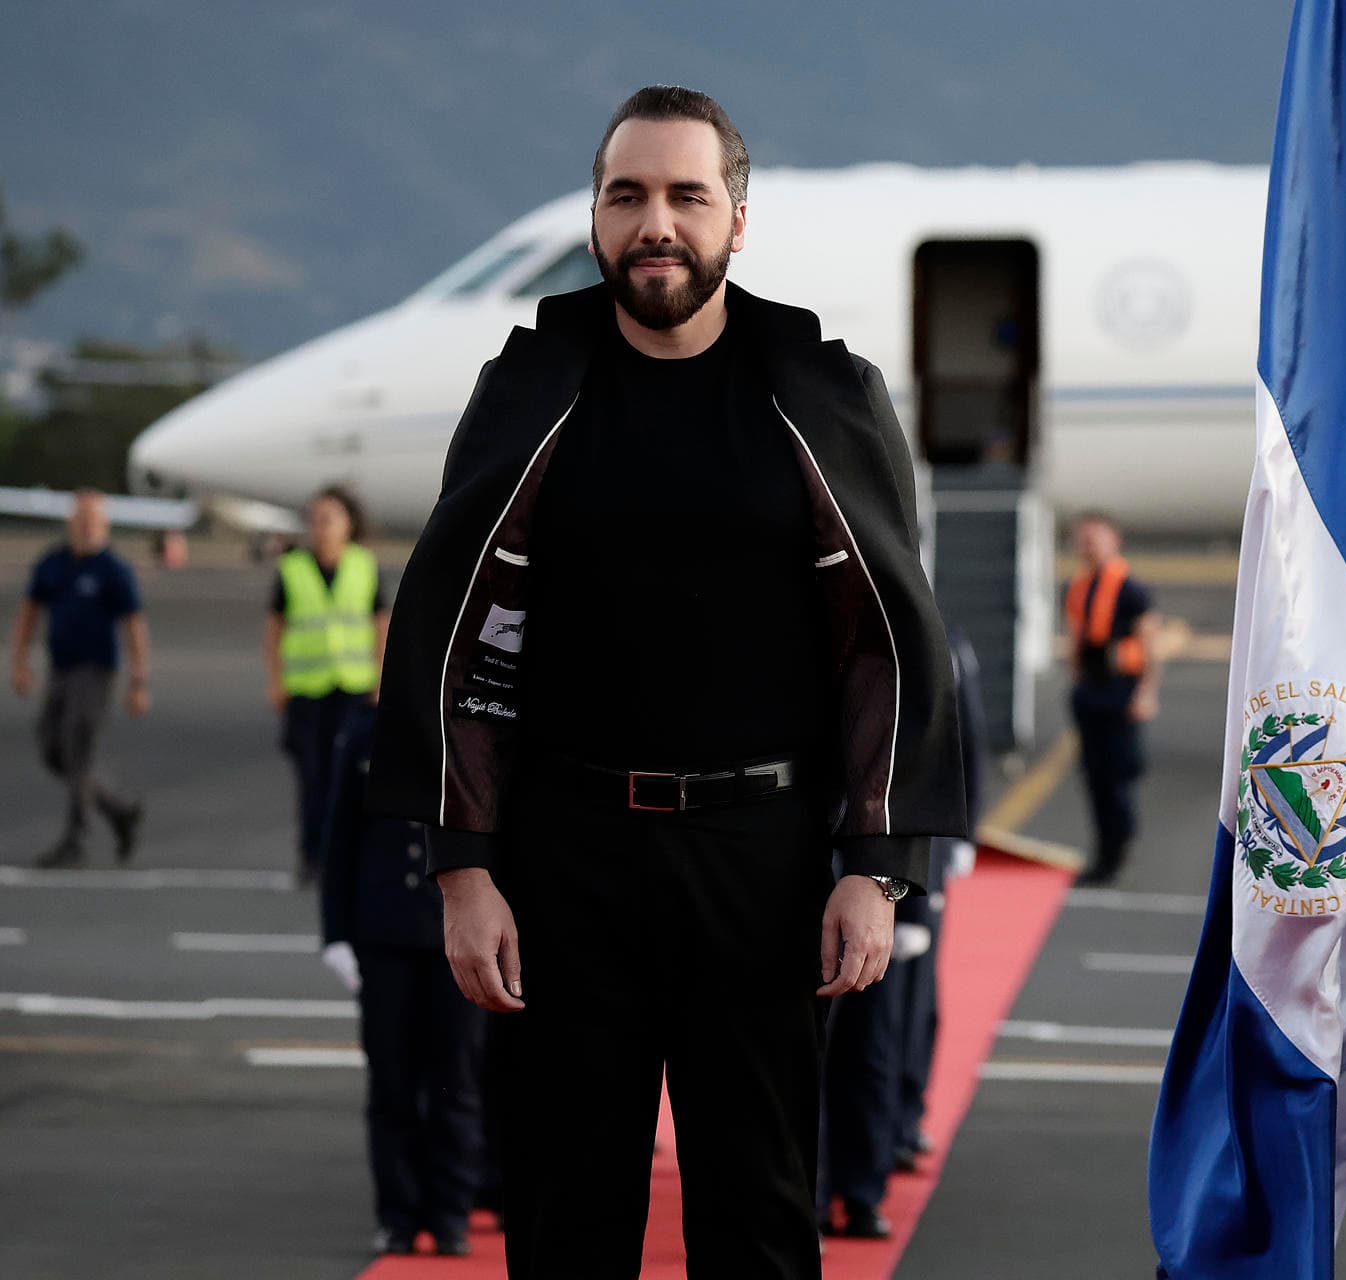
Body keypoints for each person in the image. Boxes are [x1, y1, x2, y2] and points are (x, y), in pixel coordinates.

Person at [366, 85, 967, 1279]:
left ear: (736, 220)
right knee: (561, 1216)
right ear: (596, 219)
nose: (657, 222)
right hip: (565, 860)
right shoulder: (529, 392)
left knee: (757, 1218)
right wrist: (465, 866)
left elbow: (882, 644)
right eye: (626, 195)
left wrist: (876, 867)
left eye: (687, 196)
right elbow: (465, 635)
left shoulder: (823, 394)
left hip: (766, 862)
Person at [818, 621, 986, 1240]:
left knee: (874, 1041)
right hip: (799, 871)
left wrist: (911, 892)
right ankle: (810, 1198)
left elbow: (937, 757)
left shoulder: (916, 640)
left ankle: (861, 1188)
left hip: (878, 879)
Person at [319, 707, 486, 1260]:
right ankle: (396, 1216)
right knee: (391, 1084)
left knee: (454, 1082)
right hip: (384, 934)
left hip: (455, 934)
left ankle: (450, 1213)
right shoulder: (367, 733)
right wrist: (336, 934)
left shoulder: (476, 726)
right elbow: (338, 837)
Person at [8, 490, 148, 867]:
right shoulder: (54, 564)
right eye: (81, 518)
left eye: (94, 520)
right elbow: (29, 611)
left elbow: (133, 625)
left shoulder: (112, 570)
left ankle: (76, 838)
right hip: (60, 668)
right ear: (71, 522)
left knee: (79, 747)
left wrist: (138, 680)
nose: (86, 527)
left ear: (104, 525)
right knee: (53, 750)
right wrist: (19, 660)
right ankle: (118, 810)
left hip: (95, 670)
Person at [267, 485, 388, 885]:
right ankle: (312, 854)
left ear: (348, 525)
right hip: (308, 689)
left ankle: (351, 854)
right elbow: (275, 629)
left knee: (353, 776)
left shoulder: (363, 566)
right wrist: (276, 681)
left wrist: (380, 675)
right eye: (314, 520)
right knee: (312, 776)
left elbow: (379, 624)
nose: (320, 528)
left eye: (328, 519)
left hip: (354, 688)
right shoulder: (292, 569)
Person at [1063, 512, 1160, 885]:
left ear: (1114, 539)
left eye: (1095, 537)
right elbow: (1075, 637)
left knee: (1119, 773)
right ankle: (1105, 848)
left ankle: (1118, 845)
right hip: (1091, 690)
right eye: (1082, 538)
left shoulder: (1131, 590)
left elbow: (1149, 644)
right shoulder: (1078, 587)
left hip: (1121, 690)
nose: (1087, 545)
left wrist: (1145, 691)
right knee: (1094, 775)